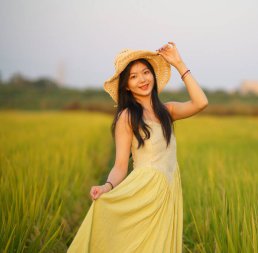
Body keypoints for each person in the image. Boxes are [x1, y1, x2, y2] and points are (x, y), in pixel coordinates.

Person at [67, 41, 208, 252]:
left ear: (152, 75)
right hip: (144, 193)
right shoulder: (127, 117)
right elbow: (120, 165)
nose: (142, 79)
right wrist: (106, 187)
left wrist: (179, 63)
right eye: (133, 76)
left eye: (145, 72)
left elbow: (200, 102)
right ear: (126, 85)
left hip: (168, 193)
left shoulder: (167, 111)